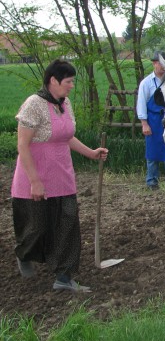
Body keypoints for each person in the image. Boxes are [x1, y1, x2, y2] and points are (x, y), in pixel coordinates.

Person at [11, 59, 108, 292]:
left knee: (67, 225)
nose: (72, 86)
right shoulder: (33, 104)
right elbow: (23, 146)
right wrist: (35, 181)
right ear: (53, 81)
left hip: (62, 175)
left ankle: (64, 277)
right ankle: (24, 254)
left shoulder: (65, 104)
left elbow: (67, 137)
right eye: (69, 81)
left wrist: (91, 153)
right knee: (37, 228)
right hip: (35, 175)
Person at [136, 51, 165, 190]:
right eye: (159, 64)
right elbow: (142, 103)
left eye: (163, 64)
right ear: (154, 64)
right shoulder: (146, 83)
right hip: (154, 120)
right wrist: (144, 123)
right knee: (153, 151)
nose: (161, 67)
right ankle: (152, 180)